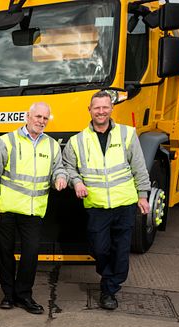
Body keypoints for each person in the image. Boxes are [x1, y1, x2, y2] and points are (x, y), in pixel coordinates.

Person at [62, 91, 151, 310]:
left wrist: (142, 195)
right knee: (99, 249)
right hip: (97, 205)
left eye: (105, 107)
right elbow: (67, 167)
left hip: (124, 204)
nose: (101, 112)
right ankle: (108, 276)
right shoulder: (78, 140)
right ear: (90, 110)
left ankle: (109, 289)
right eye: (96, 108)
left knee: (121, 250)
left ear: (111, 109)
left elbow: (139, 166)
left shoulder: (127, 134)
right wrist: (77, 182)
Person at [0, 102, 67, 314]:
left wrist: (60, 177)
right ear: (27, 116)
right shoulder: (6, 141)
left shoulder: (51, 145)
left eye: (45, 118)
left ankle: (24, 296)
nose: (41, 121)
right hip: (5, 207)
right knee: (5, 253)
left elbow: (59, 168)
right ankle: (8, 295)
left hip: (33, 209)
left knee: (31, 253)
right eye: (37, 116)